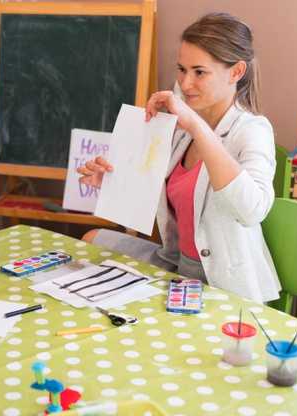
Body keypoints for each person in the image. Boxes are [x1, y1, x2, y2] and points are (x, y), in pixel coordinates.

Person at [78, 13, 280, 303]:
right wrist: (110, 182)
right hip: (177, 264)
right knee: (93, 239)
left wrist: (197, 127)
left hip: (221, 281)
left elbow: (252, 210)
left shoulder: (252, 130)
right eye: (182, 70)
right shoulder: (182, 131)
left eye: (199, 72)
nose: (185, 84)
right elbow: (171, 202)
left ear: (236, 72)